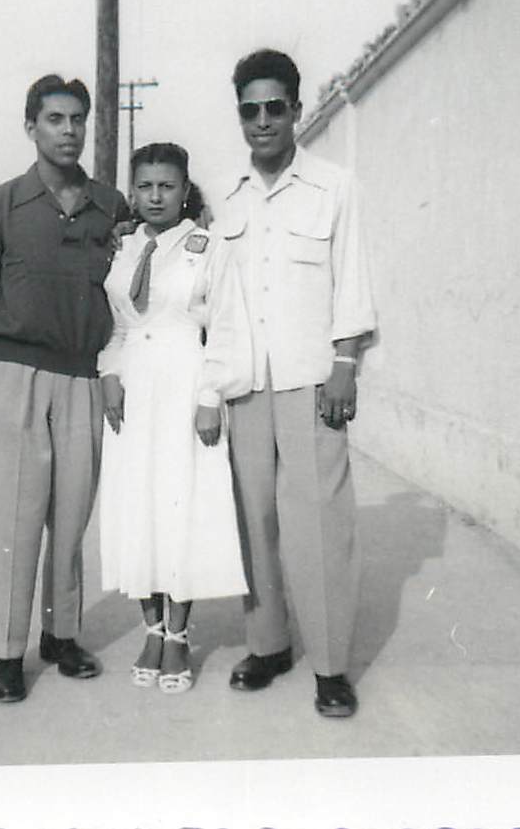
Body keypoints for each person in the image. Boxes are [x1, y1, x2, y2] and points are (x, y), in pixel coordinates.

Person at [0, 73, 130, 704]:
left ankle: (61, 635)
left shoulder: (112, 206)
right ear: (31, 127)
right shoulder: (1, 205)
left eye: (77, 119)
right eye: (55, 119)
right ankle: (5, 653)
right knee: (14, 523)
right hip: (15, 378)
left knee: (70, 519)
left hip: (83, 378)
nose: (69, 130)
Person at [213, 48, 377, 718]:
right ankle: (269, 644)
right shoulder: (226, 197)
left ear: (296, 110)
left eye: (274, 107)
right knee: (254, 520)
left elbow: (353, 280)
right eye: (249, 110)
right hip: (247, 384)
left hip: (312, 380)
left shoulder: (334, 187)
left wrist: (345, 365)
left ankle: (331, 666)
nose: (262, 121)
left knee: (318, 525)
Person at [97, 143, 252, 694]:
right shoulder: (123, 247)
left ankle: (180, 636)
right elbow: (118, 325)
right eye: (145, 186)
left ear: (185, 190)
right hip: (133, 389)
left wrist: (210, 396)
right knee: (138, 508)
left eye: (167, 186)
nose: (156, 196)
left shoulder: (207, 246)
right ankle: (152, 630)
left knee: (180, 507)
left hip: (185, 384)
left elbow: (226, 327)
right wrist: (109, 372)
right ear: (132, 192)